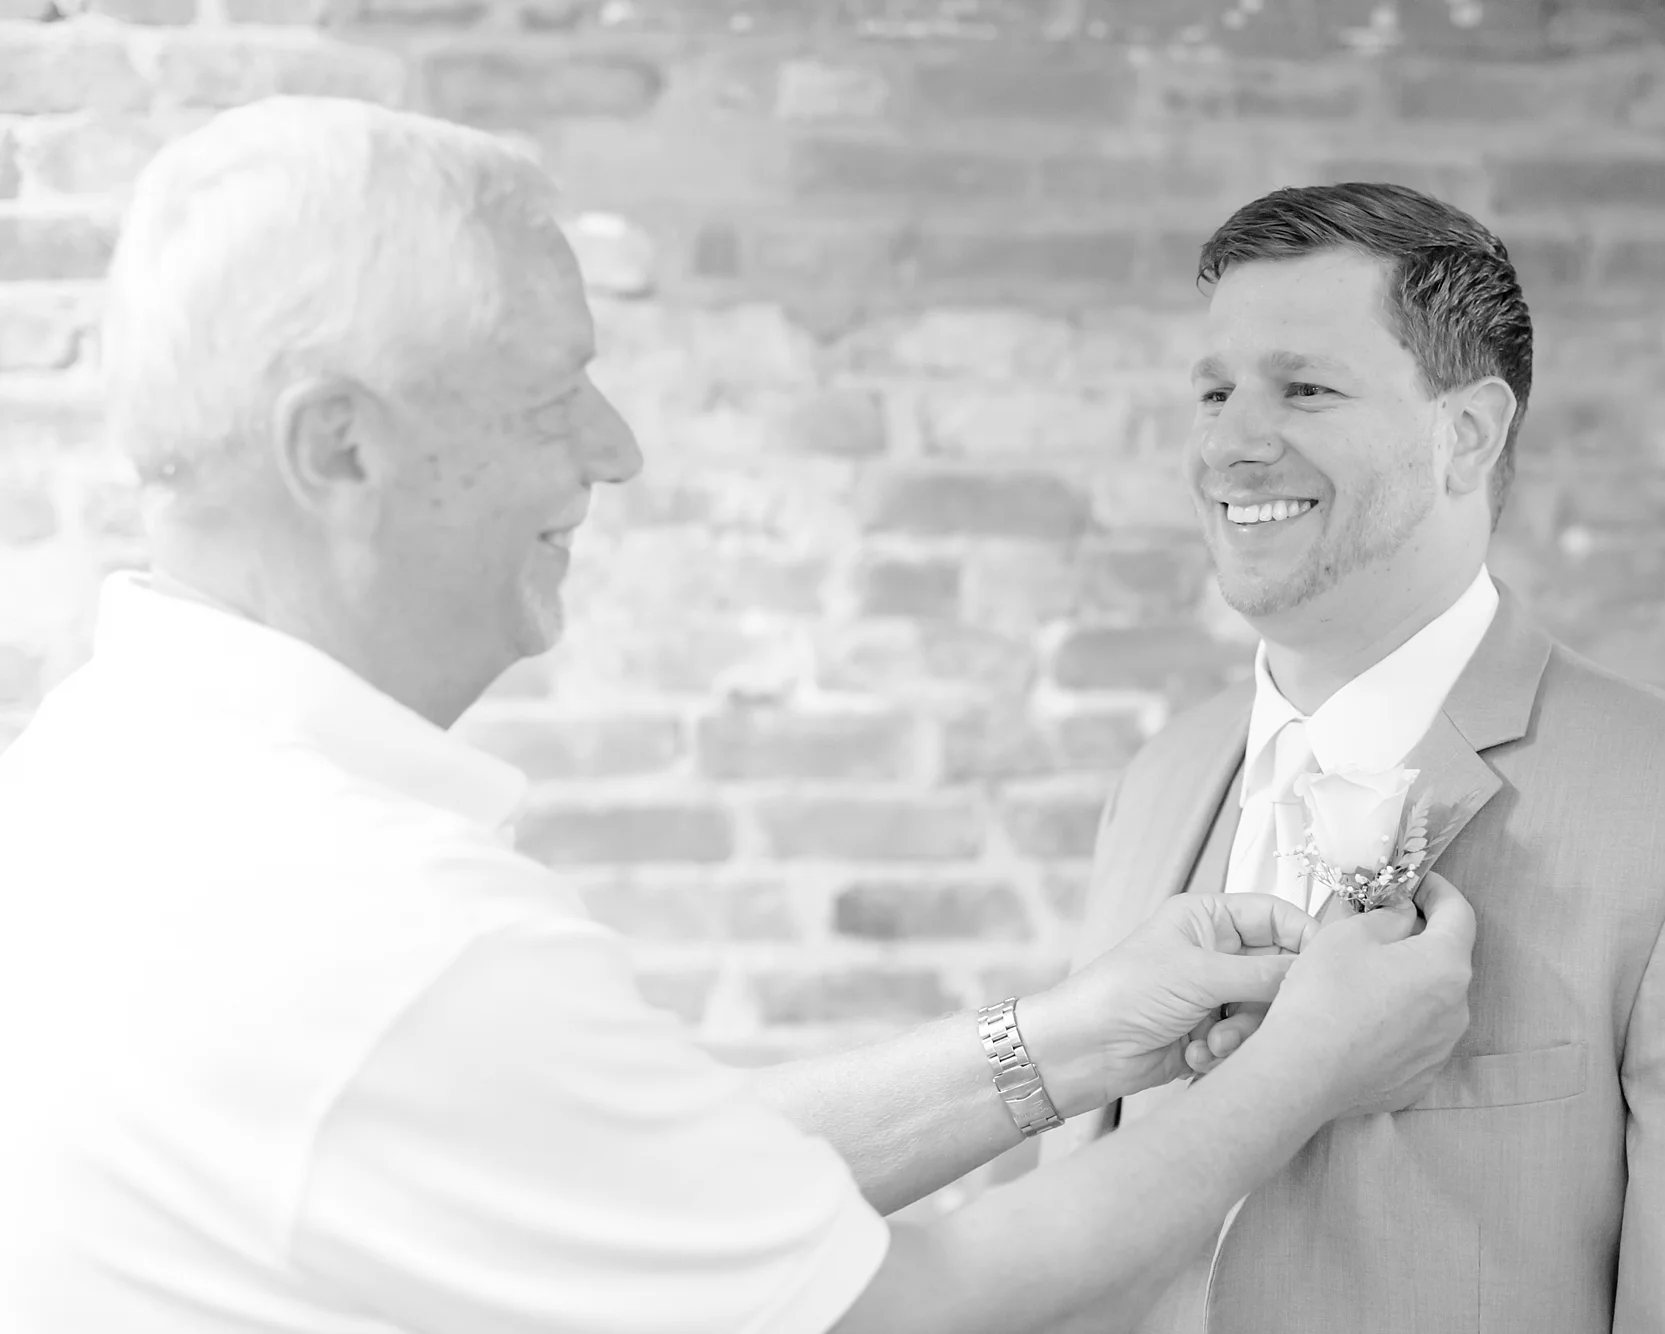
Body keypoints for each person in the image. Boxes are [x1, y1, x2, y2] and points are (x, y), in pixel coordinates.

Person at [0, 99, 1480, 1334]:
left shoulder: (98, 778)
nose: (619, 449)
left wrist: (1070, 1039)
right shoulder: (392, 935)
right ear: (340, 445)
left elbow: (626, 1189)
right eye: (552, 393)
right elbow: (887, 1310)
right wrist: (1308, 1066)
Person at [1037, 183, 1665, 1332]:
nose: (1231, 443)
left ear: (1467, 434)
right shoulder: (1156, 782)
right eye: (1213, 391)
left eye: (1302, 387)